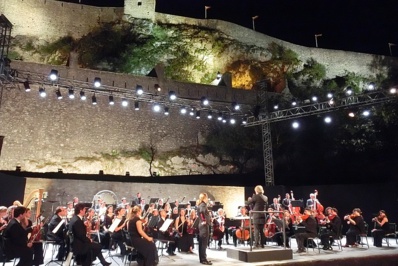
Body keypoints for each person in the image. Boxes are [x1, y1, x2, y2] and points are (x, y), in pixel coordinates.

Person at [197, 193, 212, 265]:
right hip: (204, 226)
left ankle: (202, 259)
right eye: (206, 198)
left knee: (201, 243)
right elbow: (202, 212)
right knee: (204, 243)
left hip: (201, 226)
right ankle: (204, 259)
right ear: (203, 198)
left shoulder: (200, 205)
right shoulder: (203, 205)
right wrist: (204, 221)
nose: (207, 199)